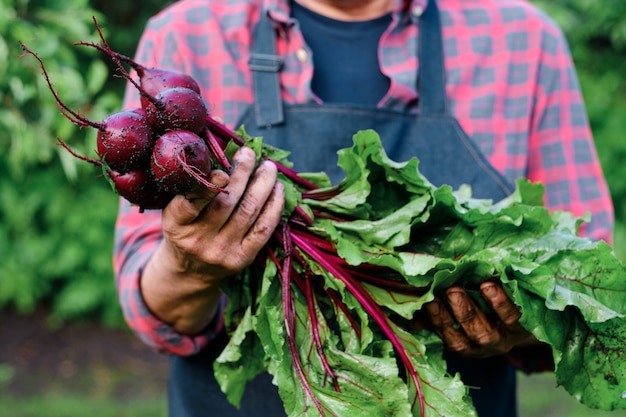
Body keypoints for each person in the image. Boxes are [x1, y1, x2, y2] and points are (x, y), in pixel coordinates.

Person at [113, 0, 615, 416]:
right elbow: (150, 310)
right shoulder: (187, 33)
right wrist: (188, 267)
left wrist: (522, 322)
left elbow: (589, 295)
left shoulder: (525, 42)